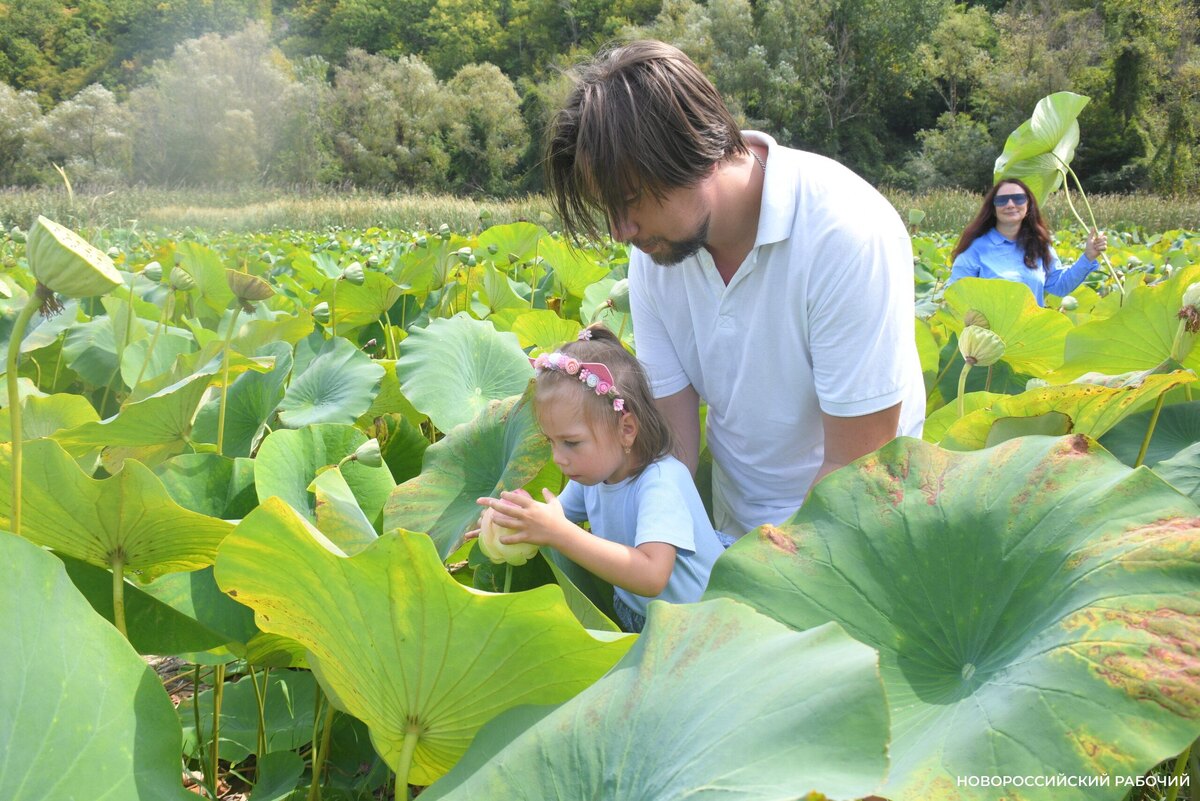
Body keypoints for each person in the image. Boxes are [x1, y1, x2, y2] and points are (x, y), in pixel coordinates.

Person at [544, 40, 925, 539]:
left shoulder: (845, 234)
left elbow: (857, 467)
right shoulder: (656, 256)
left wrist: (762, 581)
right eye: (606, 209)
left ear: (693, 151)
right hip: (733, 534)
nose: (621, 231)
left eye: (630, 200)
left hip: (854, 541)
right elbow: (672, 446)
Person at [476, 325, 725, 633]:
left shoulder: (661, 482)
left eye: (571, 442)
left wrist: (558, 533)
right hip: (645, 616)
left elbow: (652, 575)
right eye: (551, 441)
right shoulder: (593, 476)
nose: (558, 458)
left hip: (703, 624)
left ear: (626, 429)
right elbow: (554, 517)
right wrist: (512, 518)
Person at [947, 178, 1108, 307]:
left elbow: (1059, 286)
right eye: (1002, 200)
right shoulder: (975, 249)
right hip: (987, 338)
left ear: (1028, 205)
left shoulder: (1039, 245)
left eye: (1018, 198)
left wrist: (1088, 257)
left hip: (1029, 338)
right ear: (993, 208)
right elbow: (955, 295)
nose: (1010, 204)